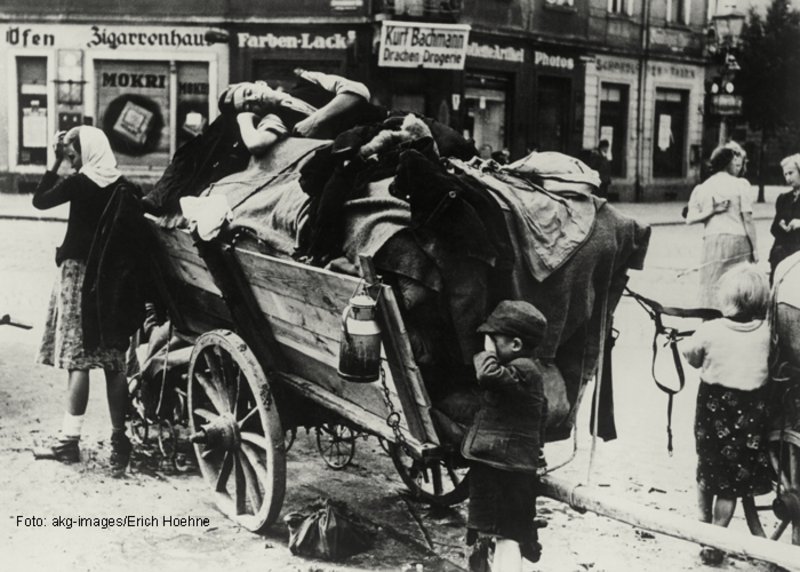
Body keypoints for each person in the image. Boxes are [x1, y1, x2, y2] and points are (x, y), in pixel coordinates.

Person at [31, 126, 133, 474]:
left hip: (78, 276)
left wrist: (54, 160)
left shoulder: (80, 182)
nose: (72, 163)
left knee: (79, 359)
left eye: (73, 155)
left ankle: (69, 443)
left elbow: (40, 200)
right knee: (114, 362)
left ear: (85, 151)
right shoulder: (125, 187)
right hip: (113, 281)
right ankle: (120, 444)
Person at [681, 264, 772, 566]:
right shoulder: (767, 333)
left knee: (707, 469)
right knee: (731, 483)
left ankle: (706, 529)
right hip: (751, 415)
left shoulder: (710, 330)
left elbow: (694, 358)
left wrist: (682, 347)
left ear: (728, 299)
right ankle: (718, 534)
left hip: (714, 411)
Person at [461, 300, 547, 572]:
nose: (488, 345)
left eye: (493, 340)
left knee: (506, 536)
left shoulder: (524, 369)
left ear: (516, 345)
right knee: (503, 534)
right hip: (503, 466)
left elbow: (487, 374)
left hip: (503, 468)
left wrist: (486, 353)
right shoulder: (522, 368)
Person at [685, 145, 757, 308]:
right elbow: (748, 218)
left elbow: (689, 219)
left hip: (712, 240)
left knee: (711, 283)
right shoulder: (740, 184)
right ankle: (737, 321)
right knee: (738, 285)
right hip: (738, 240)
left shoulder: (702, 188)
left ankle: (710, 321)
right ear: (729, 162)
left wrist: (710, 211)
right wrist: (755, 249)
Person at [768, 153, 800, 281]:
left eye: (791, 173)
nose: (788, 178)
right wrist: (781, 225)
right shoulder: (783, 199)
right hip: (781, 254)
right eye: (785, 174)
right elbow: (774, 229)